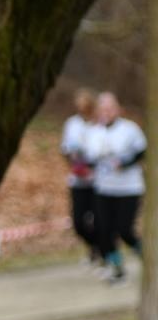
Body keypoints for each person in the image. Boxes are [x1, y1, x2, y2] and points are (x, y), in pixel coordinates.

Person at [85, 91, 145, 284]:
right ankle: (117, 269)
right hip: (104, 188)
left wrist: (125, 163)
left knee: (124, 230)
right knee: (104, 230)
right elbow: (89, 159)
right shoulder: (94, 132)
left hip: (129, 188)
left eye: (111, 108)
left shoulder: (130, 129)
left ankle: (147, 256)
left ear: (118, 109)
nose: (107, 112)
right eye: (104, 108)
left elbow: (142, 151)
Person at [61, 88, 100, 266]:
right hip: (78, 179)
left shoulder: (99, 124)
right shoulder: (72, 124)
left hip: (98, 181)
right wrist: (74, 162)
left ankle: (103, 251)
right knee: (78, 222)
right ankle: (95, 246)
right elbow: (65, 149)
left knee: (99, 219)